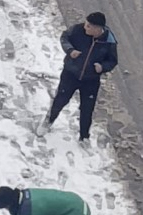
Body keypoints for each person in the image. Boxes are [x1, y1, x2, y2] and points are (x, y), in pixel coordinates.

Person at [36, 12, 119, 144]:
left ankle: (84, 136)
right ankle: (48, 121)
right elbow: (64, 38)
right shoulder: (77, 30)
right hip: (70, 74)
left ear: (97, 29)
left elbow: (113, 61)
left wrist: (102, 67)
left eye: (88, 26)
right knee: (60, 100)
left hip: (91, 80)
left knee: (87, 109)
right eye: (86, 24)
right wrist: (70, 50)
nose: (84, 27)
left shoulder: (109, 41)